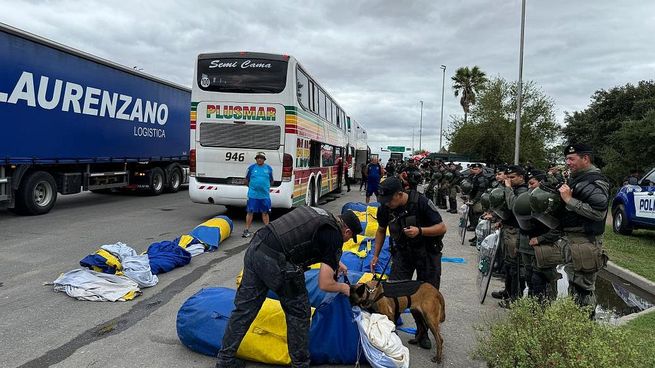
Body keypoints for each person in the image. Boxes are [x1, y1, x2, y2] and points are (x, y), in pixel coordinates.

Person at [215, 207, 363, 368]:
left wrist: (335, 262)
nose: (347, 242)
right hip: (277, 261)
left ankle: (225, 360)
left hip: (257, 247)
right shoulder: (334, 235)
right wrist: (343, 288)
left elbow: (302, 238)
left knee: (244, 310)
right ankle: (300, 364)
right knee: (299, 313)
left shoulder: (322, 215)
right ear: (347, 231)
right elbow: (324, 283)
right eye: (349, 238)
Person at [370, 177, 447, 350]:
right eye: (384, 201)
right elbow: (381, 230)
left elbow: (442, 227)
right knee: (393, 292)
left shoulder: (421, 202)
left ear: (400, 194)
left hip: (427, 254)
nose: (386, 204)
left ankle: (423, 333)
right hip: (403, 254)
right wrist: (375, 255)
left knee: (424, 295)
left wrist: (420, 231)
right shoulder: (385, 208)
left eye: (389, 200)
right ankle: (390, 332)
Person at [556, 143, 610, 311]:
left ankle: (585, 330)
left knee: (583, 290)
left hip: (585, 242)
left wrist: (568, 200)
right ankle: (576, 327)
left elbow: (598, 213)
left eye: (571, 159)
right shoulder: (577, 178)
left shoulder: (595, 180)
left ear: (585, 158)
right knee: (574, 286)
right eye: (566, 159)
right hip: (574, 243)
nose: (568, 162)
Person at [491, 165, 529, 307]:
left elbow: (514, 206)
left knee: (516, 266)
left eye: (512, 177)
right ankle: (507, 291)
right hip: (509, 228)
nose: (509, 180)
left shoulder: (523, 191)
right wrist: (503, 220)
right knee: (508, 264)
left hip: (517, 232)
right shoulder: (514, 189)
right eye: (508, 177)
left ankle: (515, 298)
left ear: (521, 177)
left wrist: (507, 188)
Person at [242, 152, 274, 238]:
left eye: (261, 158)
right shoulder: (251, 168)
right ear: (256, 159)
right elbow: (246, 180)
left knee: (265, 212)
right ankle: (246, 230)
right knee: (250, 212)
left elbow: (271, 180)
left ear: (264, 159)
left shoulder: (269, 169)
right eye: (258, 158)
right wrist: (252, 188)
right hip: (253, 195)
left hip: (264, 195)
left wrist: (265, 188)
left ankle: (268, 230)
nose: (259, 159)